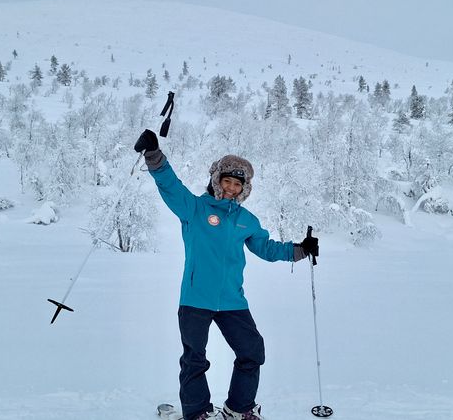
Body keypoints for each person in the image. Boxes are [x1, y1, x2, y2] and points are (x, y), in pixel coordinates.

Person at [135, 129, 319, 420]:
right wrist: (154, 155)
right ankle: (196, 412)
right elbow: (171, 186)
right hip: (196, 299)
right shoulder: (195, 208)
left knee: (252, 352)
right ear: (217, 180)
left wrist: (300, 249)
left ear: (244, 188)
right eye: (227, 181)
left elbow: (267, 248)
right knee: (194, 359)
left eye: (237, 183)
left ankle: (239, 408)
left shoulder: (246, 220)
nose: (232, 188)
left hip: (233, 301)